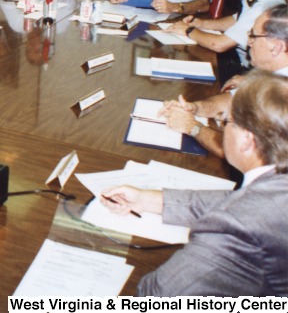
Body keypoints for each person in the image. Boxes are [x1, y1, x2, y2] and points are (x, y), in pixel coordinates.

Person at [101, 70, 288, 297]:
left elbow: (159, 295)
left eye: (225, 121)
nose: (221, 127)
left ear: (247, 140)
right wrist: (147, 199)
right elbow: (240, 202)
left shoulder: (240, 227)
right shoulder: (275, 186)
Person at [159, 4, 288, 158]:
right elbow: (234, 98)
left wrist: (192, 127)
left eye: (253, 36)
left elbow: (244, 151)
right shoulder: (271, 71)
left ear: (276, 47)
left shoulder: (282, 92)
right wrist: (194, 108)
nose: (249, 42)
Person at [165, 0, 285, 73]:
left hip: (250, 70)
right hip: (241, 60)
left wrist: (188, 30)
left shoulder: (263, 5)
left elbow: (219, 44)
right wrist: (201, 24)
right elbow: (237, 19)